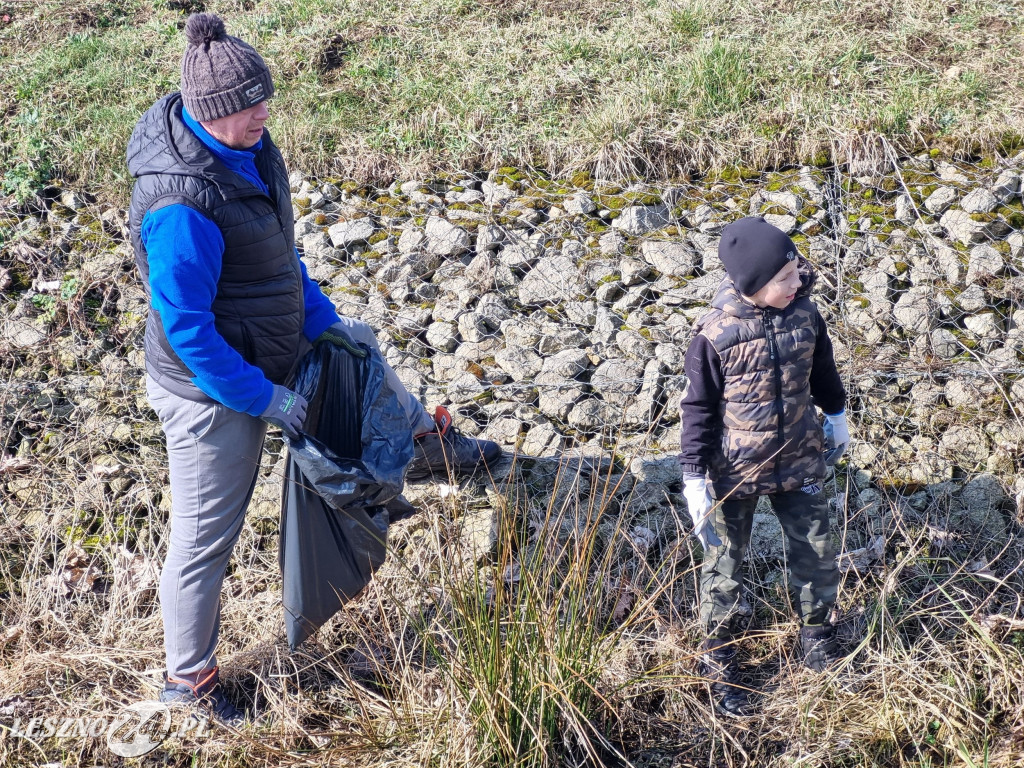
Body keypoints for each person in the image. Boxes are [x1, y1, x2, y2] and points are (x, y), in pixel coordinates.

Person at [126, 12, 500, 723]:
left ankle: (428, 446)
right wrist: (267, 400)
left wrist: (328, 329)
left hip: (267, 336)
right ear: (208, 113)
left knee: (360, 344)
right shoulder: (180, 205)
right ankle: (188, 685)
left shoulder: (250, 152)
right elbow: (189, 331)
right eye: (247, 105)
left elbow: (276, 263)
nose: (263, 112)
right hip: (211, 388)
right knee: (206, 535)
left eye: (264, 98)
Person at [677, 217, 851, 717]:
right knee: (725, 561)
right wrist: (694, 476)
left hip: (800, 455)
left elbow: (823, 369)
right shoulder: (715, 335)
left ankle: (816, 638)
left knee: (818, 548)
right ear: (755, 286)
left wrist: (837, 415)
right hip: (734, 469)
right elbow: (699, 409)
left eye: (797, 270)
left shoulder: (805, 314)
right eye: (786, 277)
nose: (798, 282)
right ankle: (719, 657)